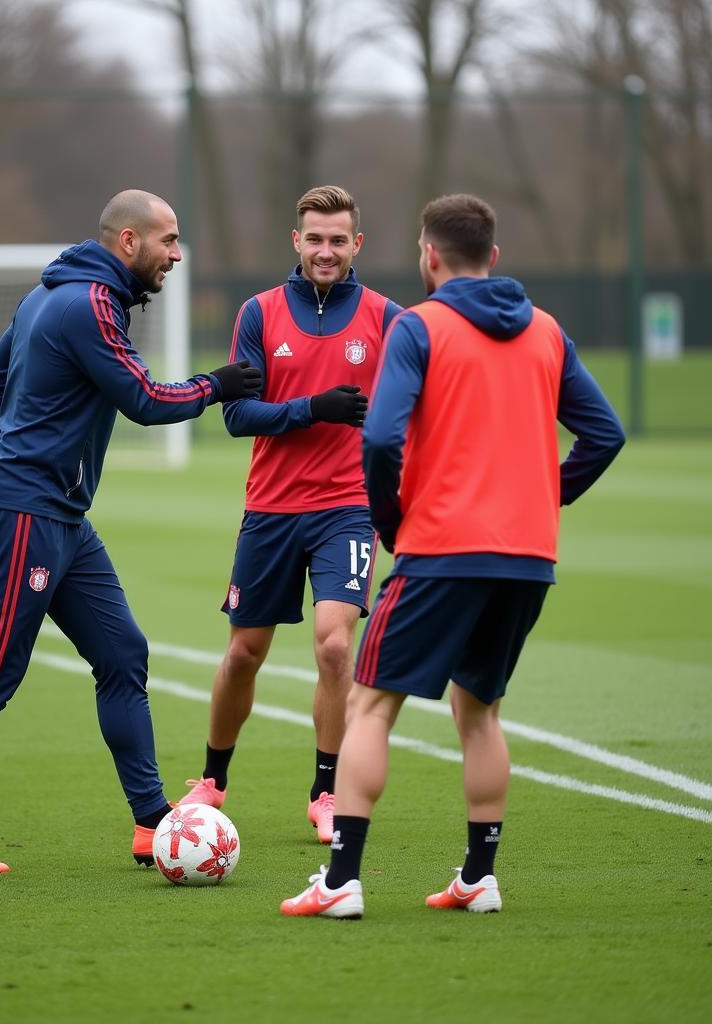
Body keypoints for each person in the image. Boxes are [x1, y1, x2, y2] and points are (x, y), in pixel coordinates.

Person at [281, 193, 625, 919]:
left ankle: (340, 881)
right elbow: (605, 435)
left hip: (441, 549)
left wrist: (393, 522)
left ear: (428, 256)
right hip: (527, 559)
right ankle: (479, 876)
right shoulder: (547, 331)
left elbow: (379, 439)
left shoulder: (418, 327)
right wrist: (545, 498)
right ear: (493, 257)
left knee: (372, 706)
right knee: (481, 712)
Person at [0, 189, 262, 874]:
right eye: (169, 240)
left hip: (57, 512)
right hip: (26, 512)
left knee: (123, 652)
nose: (177, 254)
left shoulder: (49, 295)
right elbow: (148, 401)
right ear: (128, 241)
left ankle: (152, 820)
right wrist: (220, 384)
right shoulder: (88, 304)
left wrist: (31, 454)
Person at [177, 185, 402, 843]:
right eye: (315, 238)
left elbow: (403, 416)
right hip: (271, 509)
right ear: (295, 241)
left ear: (356, 244)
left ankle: (326, 790)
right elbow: (238, 415)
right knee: (245, 653)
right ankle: (213, 778)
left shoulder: (389, 318)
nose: (325, 250)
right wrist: (312, 408)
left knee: (335, 645)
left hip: (347, 509)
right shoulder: (259, 313)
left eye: (338, 239)